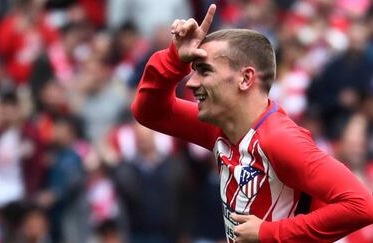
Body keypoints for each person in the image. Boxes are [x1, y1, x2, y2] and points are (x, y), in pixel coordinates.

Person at [131, 4, 373, 243]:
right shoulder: (220, 126)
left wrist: (268, 233)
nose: (191, 83)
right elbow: (149, 112)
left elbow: (361, 205)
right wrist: (174, 58)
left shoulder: (281, 140)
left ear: (245, 79)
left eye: (204, 71)